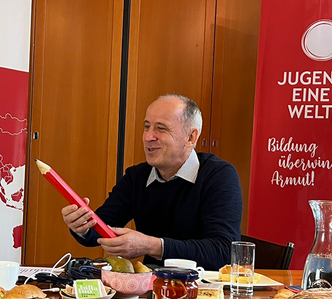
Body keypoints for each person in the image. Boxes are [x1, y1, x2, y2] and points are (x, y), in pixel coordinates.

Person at [61, 94, 242, 270]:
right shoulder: (136, 177)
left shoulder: (218, 175)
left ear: (191, 137)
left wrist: (152, 246)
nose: (148, 137)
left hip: (204, 291)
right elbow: (99, 230)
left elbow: (224, 252)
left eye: (161, 128)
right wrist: (81, 226)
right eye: (147, 127)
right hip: (150, 289)